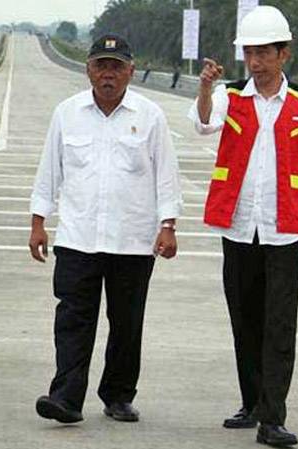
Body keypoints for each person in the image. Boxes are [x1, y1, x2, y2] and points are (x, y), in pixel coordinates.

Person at [188, 6, 298, 448]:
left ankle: (272, 417)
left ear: (284, 54)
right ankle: (252, 401)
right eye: (249, 53)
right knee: (245, 318)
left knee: (279, 323)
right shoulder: (230, 96)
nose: (255, 62)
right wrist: (204, 89)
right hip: (238, 226)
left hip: (287, 228)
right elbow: (203, 125)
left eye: (263, 53)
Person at [29, 33, 183, 425]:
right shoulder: (67, 113)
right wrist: (38, 222)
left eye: (116, 67)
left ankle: (118, 395)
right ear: (89, 71)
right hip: (78, 238)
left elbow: (167, 177)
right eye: (101, 66)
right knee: (72, 320)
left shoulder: (150, 116)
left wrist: (168, 226)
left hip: (132, 240)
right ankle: (66, 398)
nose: (108, 74)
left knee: (127, 324)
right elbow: (50, 171)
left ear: (130, 71)